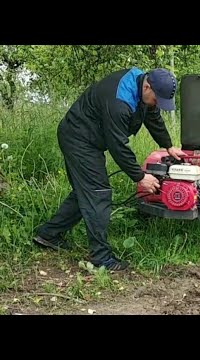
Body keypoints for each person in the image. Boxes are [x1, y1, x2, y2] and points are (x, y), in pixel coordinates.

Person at [32, 67, 186, 271]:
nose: (157, 105)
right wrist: (140, 176)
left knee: (84, 192)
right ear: (147, 86)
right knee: (98, 193)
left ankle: (47, 235)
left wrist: (168, 145)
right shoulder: (119, 102)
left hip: (89, 139)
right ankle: (101, 258)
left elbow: (152, 116)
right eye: (157, 99)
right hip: (78, 139)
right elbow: (118, 145)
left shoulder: (142, 87)